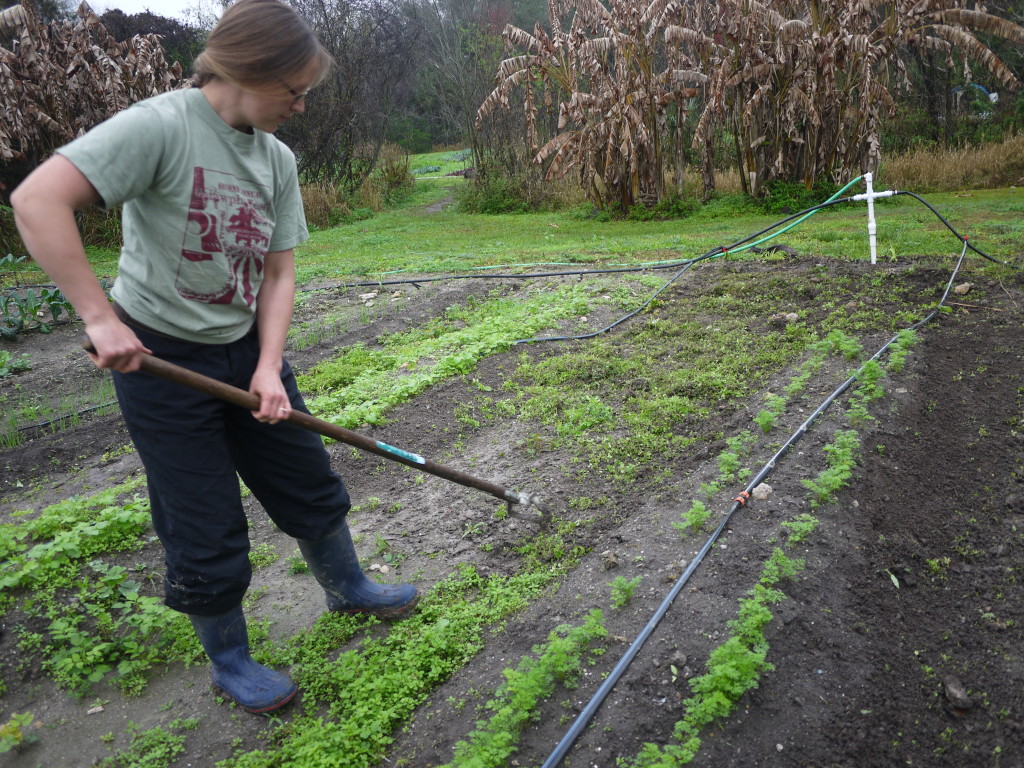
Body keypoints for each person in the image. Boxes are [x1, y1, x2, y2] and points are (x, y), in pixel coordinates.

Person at [11, 0, 417, 714]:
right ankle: (229, 659)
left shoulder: (276, 157)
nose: (300, 104)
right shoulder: (162, 126)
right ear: (243, 68)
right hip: (158, 362)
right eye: (292, 90)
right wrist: (98, 318)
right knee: (201, 518)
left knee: (306, 477)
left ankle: (349, 589)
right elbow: (38, 199)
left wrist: (268, 365)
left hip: (243, 352)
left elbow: (278, 272)